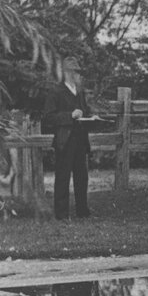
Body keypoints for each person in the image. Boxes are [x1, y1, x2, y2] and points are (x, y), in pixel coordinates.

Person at [42, 55, 92, 220]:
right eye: (73, 71)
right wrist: (69, 115)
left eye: (77, 71)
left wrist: (91, 117)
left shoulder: (80, 92)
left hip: (80, 140)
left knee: (81, 177)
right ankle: (62, 214)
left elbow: (85, 111)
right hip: (65, 141)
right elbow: (48, 117)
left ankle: (82, 211)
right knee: (63, 177)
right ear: (65, 73)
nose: (77, 75)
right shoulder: (55, 92)